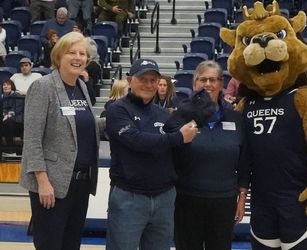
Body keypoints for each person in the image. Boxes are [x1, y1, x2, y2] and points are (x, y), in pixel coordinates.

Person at [105, 58, 198, 250]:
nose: (148, 84)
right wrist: (179, 138)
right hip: (129, 197)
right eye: (142, 79)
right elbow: (135, 140)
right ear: (130, 80)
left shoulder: (164, 115)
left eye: (153, 80)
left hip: (164, 197)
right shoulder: (117, 109)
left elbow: (181, 151)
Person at [19, 32, 100, 250]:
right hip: (52, 185)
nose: (78, 57)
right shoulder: (43, 87)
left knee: (71, 245)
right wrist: (43, 182)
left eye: (82, 53)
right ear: (58, 56)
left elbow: (84, 126)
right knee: (50, 245)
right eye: (71, 52)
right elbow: (32, 139)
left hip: (80, 184)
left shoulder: (82, 87)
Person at [172, 60, 251, 250]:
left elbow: (244, 163)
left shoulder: (236, 118)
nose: (208, 84)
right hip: (187, 199)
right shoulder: (180, 117)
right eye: (203, 79)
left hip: (224, 201)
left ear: (221, 84)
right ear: (194, 84)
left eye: (213, 80)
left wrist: (242, 198)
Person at [0, 79, 24, 146]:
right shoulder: (1, 97)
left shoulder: (17, 95)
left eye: (8, 84)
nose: (6, 86)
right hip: (3, 120)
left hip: (17, 120)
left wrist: (7, 116)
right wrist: (3, 115)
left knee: (9, 121)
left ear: (12, 86)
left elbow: (17, 109)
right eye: (4, 85)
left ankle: (10, 149)